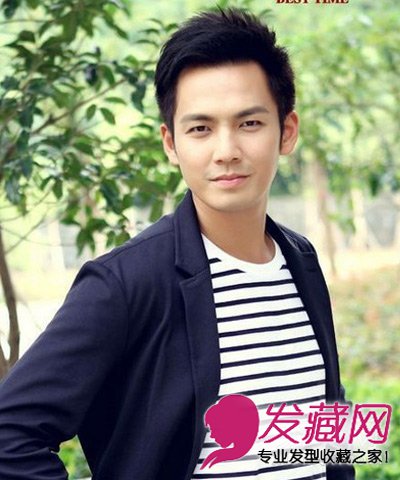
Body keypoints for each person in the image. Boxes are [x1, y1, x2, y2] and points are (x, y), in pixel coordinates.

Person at [0, 7, 355, 480]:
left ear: (286, 131)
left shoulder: (301, 258)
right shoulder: (126, 282)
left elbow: (325, 423)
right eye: (200, 128)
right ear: (171, 143)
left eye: (249, 123)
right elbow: (10, 436)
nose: (226, 151)